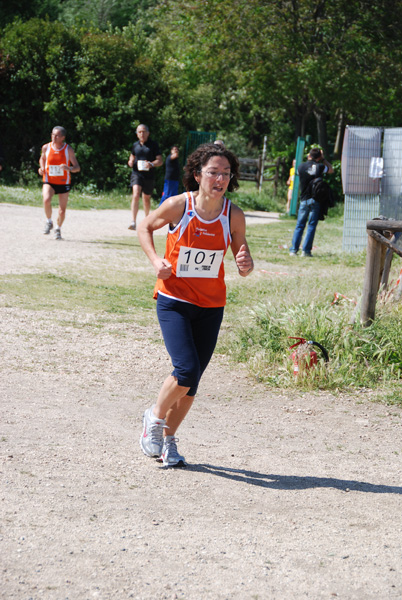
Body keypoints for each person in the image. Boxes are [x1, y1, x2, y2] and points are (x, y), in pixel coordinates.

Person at [137, 143, 254, 467]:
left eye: (226, 174)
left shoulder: (233, 215)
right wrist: (155, 259)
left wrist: (246, 263)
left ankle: (168, 441)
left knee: (192, 382)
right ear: (197, 174)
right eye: (214, 172)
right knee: (186, 370)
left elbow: (243, 262)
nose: (220, 179)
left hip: (212, 305)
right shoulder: (179, 206)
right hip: (174, 300)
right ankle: (154, 418)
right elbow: (144, 226)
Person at [289, 148, 333, 257]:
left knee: (299, 225)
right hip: (316, 199)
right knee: (311, 225)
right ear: (319, 157)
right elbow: (331, 170)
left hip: (304, 199)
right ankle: (306, 251)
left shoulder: (300, 167)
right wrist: (323, 159)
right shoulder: (320, 167)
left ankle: (293, 250)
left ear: (309, 156)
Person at [38, 126, 80, 240]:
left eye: (57, 135)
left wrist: (69, 168)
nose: (54, 137)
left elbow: (77, 167)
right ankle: (49, 221)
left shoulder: (68, 150)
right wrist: (41, 168)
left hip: (63, 182)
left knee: (62, 210)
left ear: (63, 137)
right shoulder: (46, 147)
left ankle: (58, 228)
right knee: (46, 199)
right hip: (49, 180)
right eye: (52, 134)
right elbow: (42, 159)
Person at [127, 124, 163, 230]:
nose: (141, 134)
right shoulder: (135, 145)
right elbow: (132, 155)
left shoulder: (153, 145)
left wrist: (151, 164)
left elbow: (160, 161)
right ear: (137, 134)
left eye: (143, 132)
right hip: (136, 173)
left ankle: (147, 219)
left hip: (149, 175)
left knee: (146, 198)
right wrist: (130, 161)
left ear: (148, 133)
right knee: (136, 194)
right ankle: (133, 221)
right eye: (139, 132)